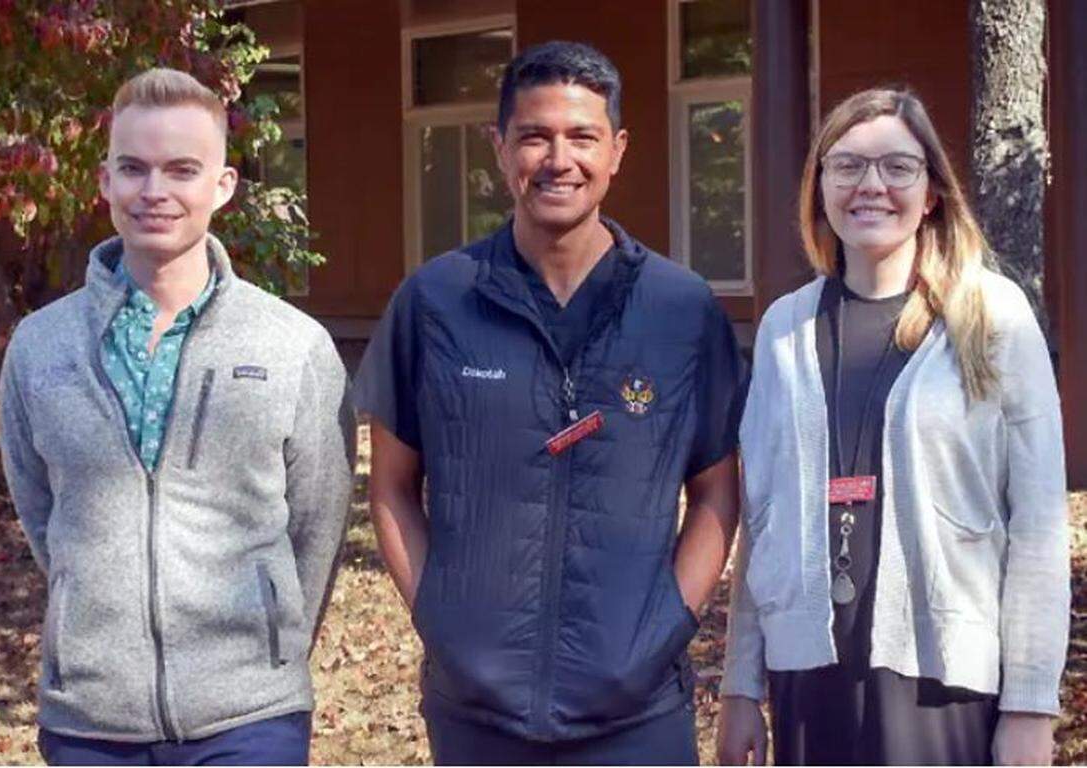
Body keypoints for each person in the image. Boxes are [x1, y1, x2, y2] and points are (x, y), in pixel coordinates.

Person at [354, 41, 746, 765]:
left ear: (618, 150)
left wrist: (664, 626)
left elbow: (718, 495)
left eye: (582, 137)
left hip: (637, 715)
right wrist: (439, 619)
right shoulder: (437, 302)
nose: (558, 158)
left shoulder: (680, 311)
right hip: (476, 714)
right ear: (500, 148)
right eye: (534, 135)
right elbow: (391, 488)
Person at [0, 68, 354, 766]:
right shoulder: (40, 348)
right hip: (90, 722)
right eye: (133, 169)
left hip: (250, 718)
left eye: (181, 170)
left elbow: (319, 526)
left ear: (221, 186)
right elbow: (43, 512)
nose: (154, 192)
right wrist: (88, 612)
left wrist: (268, 651)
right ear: (104, 183)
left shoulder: (293, 346)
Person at [716, 87, 1070, 766]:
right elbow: (760, 520)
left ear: (932, 190)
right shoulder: (785, 329)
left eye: (897, 167)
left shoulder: (991, 317)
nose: (870, 185)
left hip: (945, 684)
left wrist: (1029, 705)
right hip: (809, 678)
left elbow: (1036, 526)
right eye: (846, 165)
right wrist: (739, 687)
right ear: (819, 185)